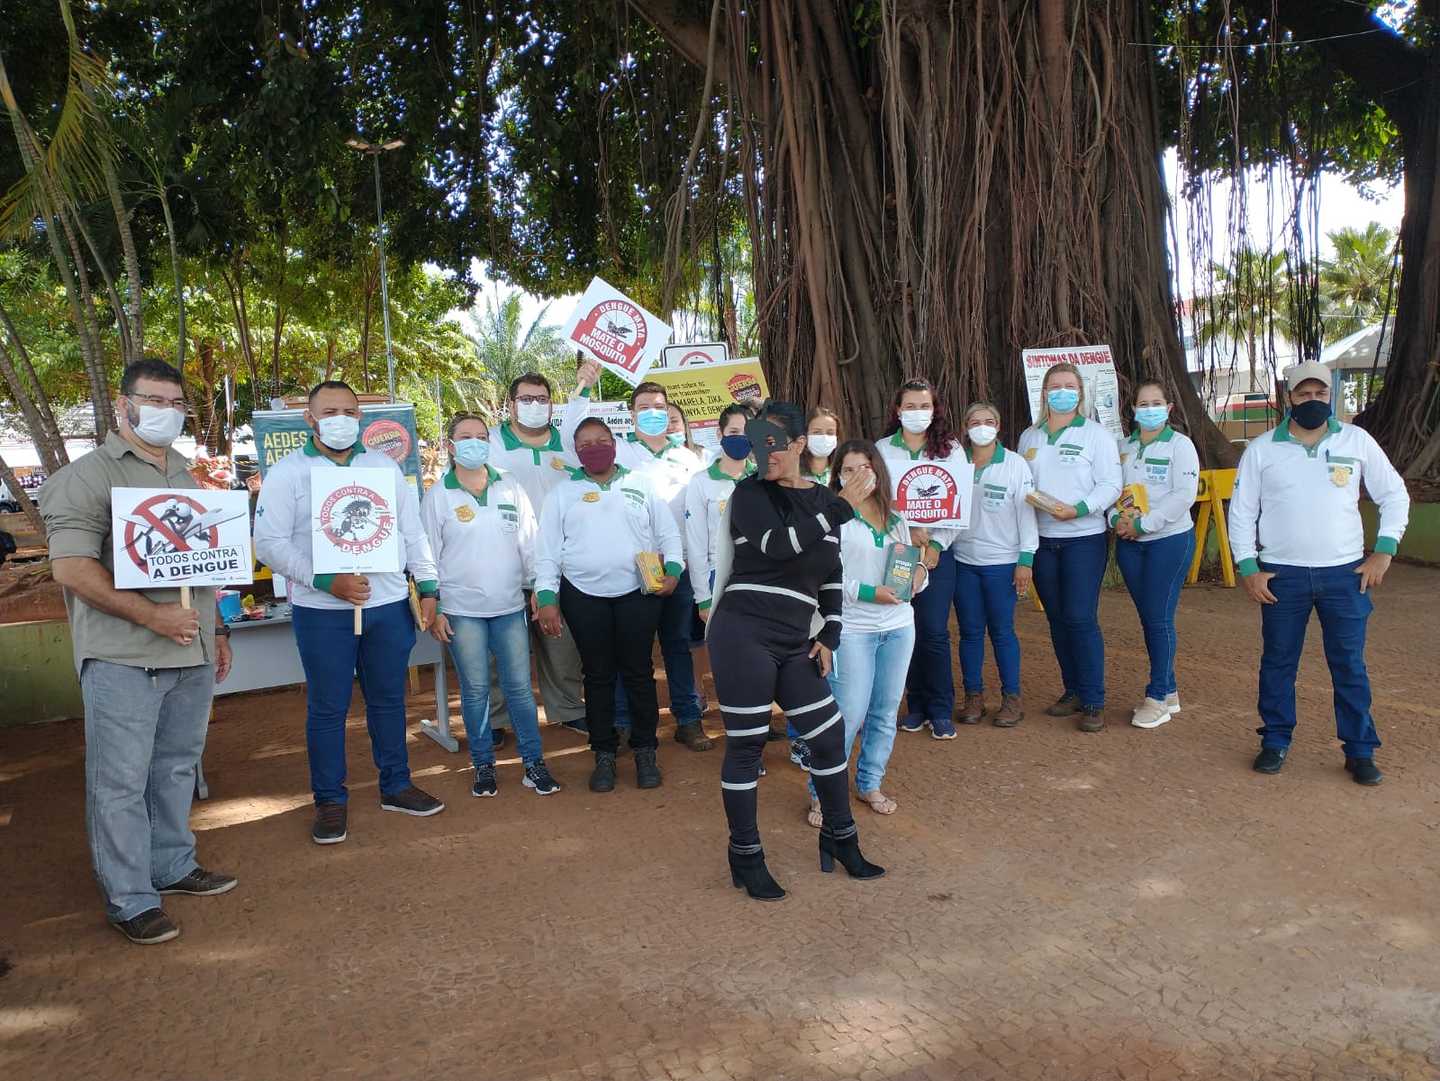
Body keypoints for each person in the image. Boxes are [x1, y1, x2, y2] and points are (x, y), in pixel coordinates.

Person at [40, 358, 237, 945]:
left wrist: (217, 629)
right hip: (125, 657)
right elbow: (72, 569)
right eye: (154, 401)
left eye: (177, 404)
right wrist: (151, 615)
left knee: (176, 766)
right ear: (123, 405)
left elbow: (203, 563)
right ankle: (129, 897)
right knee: (119, 782)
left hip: (191, 652)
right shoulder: (87, 477)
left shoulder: (184, 473)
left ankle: (171, 864)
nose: (166, 413)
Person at [254, 380, 444, 844]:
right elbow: (269, 543)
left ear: (360, 418)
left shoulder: (383, 467)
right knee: (327, 707)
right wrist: (324, 580)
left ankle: (395, 784)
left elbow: (412, 531)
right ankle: (330, 800)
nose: (341, 418)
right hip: (323, 611)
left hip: (387, 605)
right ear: (311, 418)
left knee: (388, 700)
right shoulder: (288, 473)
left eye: (349, 411)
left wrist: (429, 585)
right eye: (330, 410)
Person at [710, 402, 885, 901]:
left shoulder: (821, 501)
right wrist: (839, 507)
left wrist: (829, 632)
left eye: (773, 442)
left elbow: (830, 571)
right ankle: (745, 854)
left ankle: (841, 837)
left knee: (829, 737)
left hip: (795, 639)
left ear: (797, 445)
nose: (763, 452)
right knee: (747, 744)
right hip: (743, 631)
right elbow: (777, 546)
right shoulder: (748, 494)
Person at [1228, 361, 1409, 785]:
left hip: (1345, 576)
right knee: (1278, 662)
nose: (1313, 401)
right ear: (1288, 398)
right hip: (1281, 577)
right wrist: (1248, 565)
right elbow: (1242, 512)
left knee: (1348, 664)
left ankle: (1360, 750)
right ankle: (1274, 740)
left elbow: (1394, 494)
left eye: (1321, 394)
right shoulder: (1262, 450)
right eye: (1304, 394)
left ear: (1332, 396)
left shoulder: (1356, 440)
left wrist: (1384, 550)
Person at [563, 361, 711, 750]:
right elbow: (570, 438)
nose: (653, 413)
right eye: (644, 407)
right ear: (630, 415)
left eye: (659, 407)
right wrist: (582, 388)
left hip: (680, 567)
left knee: (679, 644)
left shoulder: (689, 458)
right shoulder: (621, 452)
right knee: (629, 651)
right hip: (634, 569)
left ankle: (688, 718)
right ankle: (625, 720)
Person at [534, 417, 685, 791]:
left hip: (638, 592)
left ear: (615, 444)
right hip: (583, 595)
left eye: (602, 440)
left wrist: (675, 570)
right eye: (585, 444)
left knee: (638, 672)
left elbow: (668, 533)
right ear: (576, 451)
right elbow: (547, 552)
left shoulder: (640, 483)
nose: (594, 448)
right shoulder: (561, 494)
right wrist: (548, 598)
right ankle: (603, 753)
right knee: (597, 675)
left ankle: (646, 750)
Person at [420, 413, 560, 798]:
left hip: (509, 607)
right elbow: (425, 553)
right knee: (476, 689)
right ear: (450, 445)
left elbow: (531, 543)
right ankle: (483, 765)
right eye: (465, 437)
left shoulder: (509, 486)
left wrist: (538, 588)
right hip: (462, 611)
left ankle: (534, 764)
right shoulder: (438, 496)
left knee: (519, 688)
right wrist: (436, 606)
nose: (474, 443)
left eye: (481, 436)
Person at [798, 441, 926, 826]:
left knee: (885, 711)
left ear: (877, 471)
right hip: (852, 628)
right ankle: (823, 792)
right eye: (848, 470)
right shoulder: (831, 518)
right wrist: (872, 593)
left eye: (864, 468)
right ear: (837, 477)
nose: (857, 476)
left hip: (899, 626)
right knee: (847, 714)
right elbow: (826, 575)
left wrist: (920, 575)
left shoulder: (896, 517)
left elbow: (911, 567)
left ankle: (870, 782)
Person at [1018, 362, 1122, 732]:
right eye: (1054, 386)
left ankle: (1094, 699)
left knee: (1080, 617)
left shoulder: (1096, 435)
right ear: (1044, 393)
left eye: (1069, 386)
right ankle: (1072, 689)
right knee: (1057, 618)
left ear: (1080, 393)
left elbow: (1111, 485)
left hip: (1084, 538)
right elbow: (1023, 486)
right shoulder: (1030, 436)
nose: (1062, 392)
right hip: (1044, 540)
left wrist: (1078, 509)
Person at [486, 373, 587, 736]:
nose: (534, 406)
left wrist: (587, 383)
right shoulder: (493, 443)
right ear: (511, 404)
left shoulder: (567, 443)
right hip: (504, 559)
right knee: (501, 647)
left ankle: (568, 708)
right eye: (526, 399)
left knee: (561, 641)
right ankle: (496, 719)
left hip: (559, 559)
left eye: (542, 399)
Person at [878, 378, 965, 739]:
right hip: (897, 551)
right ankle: (914, 706)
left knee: (933, 631)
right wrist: (907, 534)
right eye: (910, 406)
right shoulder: (881, 450)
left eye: (924, 406)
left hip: (938, 554)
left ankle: (941, 708)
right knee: (903, 627)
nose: (917, 413)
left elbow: (959, 506)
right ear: (898, 411)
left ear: (935, 410)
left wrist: (936, 545)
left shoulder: (951, 451)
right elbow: (876, 501)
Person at [1110, 382, 1200, 730]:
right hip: (1130, 544)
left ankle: (1157, 697)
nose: (1149, 409)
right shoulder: (1123, 447)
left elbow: (1183, 495)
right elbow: (1112, 490)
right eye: (1142, 404)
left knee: (1159, 617)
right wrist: (1116, 520)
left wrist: (1145, 525)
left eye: (1156, 403)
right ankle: (1171, 689)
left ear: (1169, 408)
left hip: (1168, 541)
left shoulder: (1181, 446)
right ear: (1132, 409)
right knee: (1150, 617)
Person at [950, 402, 1037, 727]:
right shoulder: (956, 463)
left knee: (1002, 632)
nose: (982, 427)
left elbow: (1027, 514)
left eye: (989, 421)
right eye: (975, 421)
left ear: (998, 427)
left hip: (1002, 563)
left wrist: (1025, 560)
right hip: (963, 560)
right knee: (970, 633)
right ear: (966, 427)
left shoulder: (1015, 465)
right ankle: (973, 697)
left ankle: (1011, 699)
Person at [685, 404, 756, 618]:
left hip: (761, 575)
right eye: (734, 432)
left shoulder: (763, 478)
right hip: (720, 576)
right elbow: (696, 542)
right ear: (720, 433)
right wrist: (703, 596)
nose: (741, 438)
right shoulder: (700, 482)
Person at [802, 406, 840, 484]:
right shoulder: (792, 473)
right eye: (817, 432)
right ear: (805, 435)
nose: (824, 438)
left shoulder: (842, 473)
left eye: (830, 433)